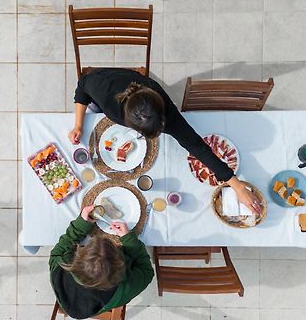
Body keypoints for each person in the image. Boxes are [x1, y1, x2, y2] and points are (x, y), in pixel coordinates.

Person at [68, 67, 262, 214]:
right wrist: (78, 125)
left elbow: (196, 146)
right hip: (108, 85)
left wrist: (236, 185)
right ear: (129, 123)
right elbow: (82, 85)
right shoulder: (102, 88)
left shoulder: (166, 112)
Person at [49, 205, 154, 319]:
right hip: (102, 303)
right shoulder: (126, 286)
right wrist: (128, 239)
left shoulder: (59, 265)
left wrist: (81, 224)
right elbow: (147, 271)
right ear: (120, 264)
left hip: (71, 302)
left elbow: (59, 250)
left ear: (79, 255)